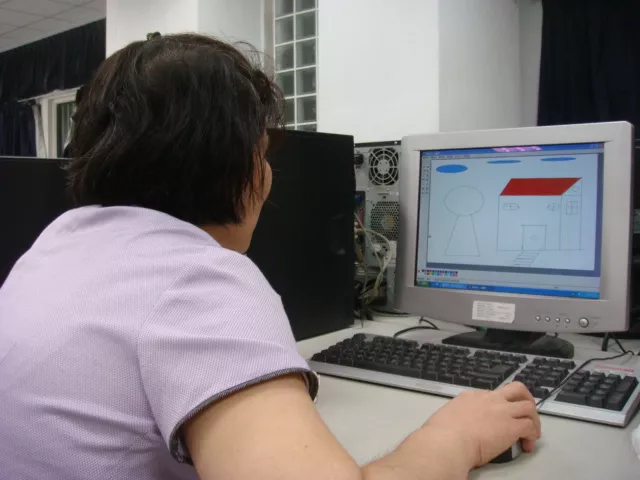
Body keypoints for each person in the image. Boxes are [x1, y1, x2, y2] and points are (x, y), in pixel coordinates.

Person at [0, 34, 541, 480]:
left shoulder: (51, 249)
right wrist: (456, 437)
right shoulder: (197, 280)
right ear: (237, 169)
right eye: (262, 154)